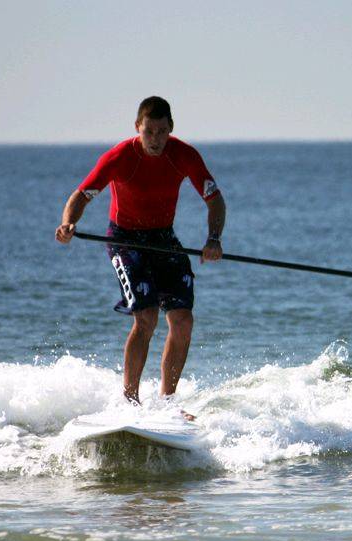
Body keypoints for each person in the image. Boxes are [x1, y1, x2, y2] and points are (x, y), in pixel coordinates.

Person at [55, 96, 226, 408]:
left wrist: (213, 239)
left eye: (162, 132)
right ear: (137, 127)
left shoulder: (184, 155)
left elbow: (215, 200)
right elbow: (81, 195)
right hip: (125, 240)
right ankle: (131, 401)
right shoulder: (119, 157)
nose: (156, 139)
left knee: (183, 320)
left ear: (171, 128)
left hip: (163, 238)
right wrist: (68, 223)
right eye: (149, 131)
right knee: (146, 317)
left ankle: (167, 402)